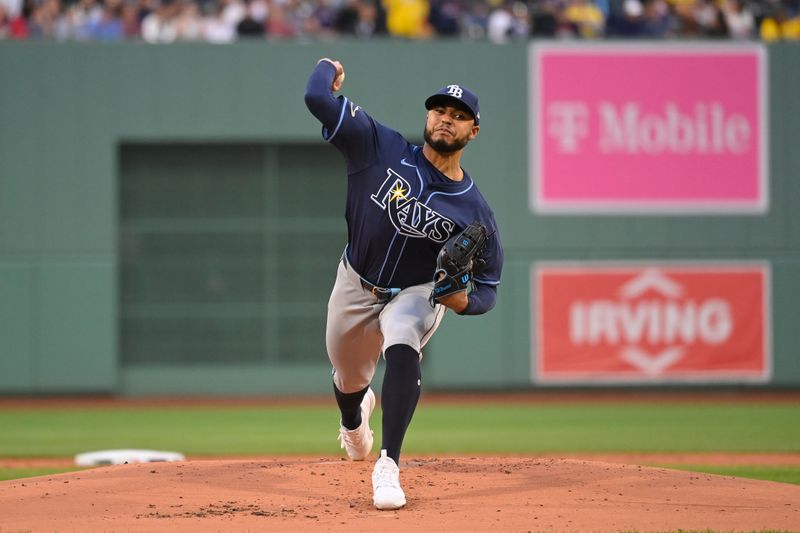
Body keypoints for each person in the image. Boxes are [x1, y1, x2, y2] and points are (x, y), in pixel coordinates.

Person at [304, 58, 503, 510]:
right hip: (356, 281)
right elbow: (317, 98)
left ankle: (389, 464)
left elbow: (489, 287)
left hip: (417, 291)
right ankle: (355, 420)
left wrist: (461, 300)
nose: (445, 119)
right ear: (427, 116)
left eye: (458, 116)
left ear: (473, 131)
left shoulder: (476, 212)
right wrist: (325, 68)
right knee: (349, 378)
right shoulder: (379, 146)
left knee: (402, 338)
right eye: (439, 111)